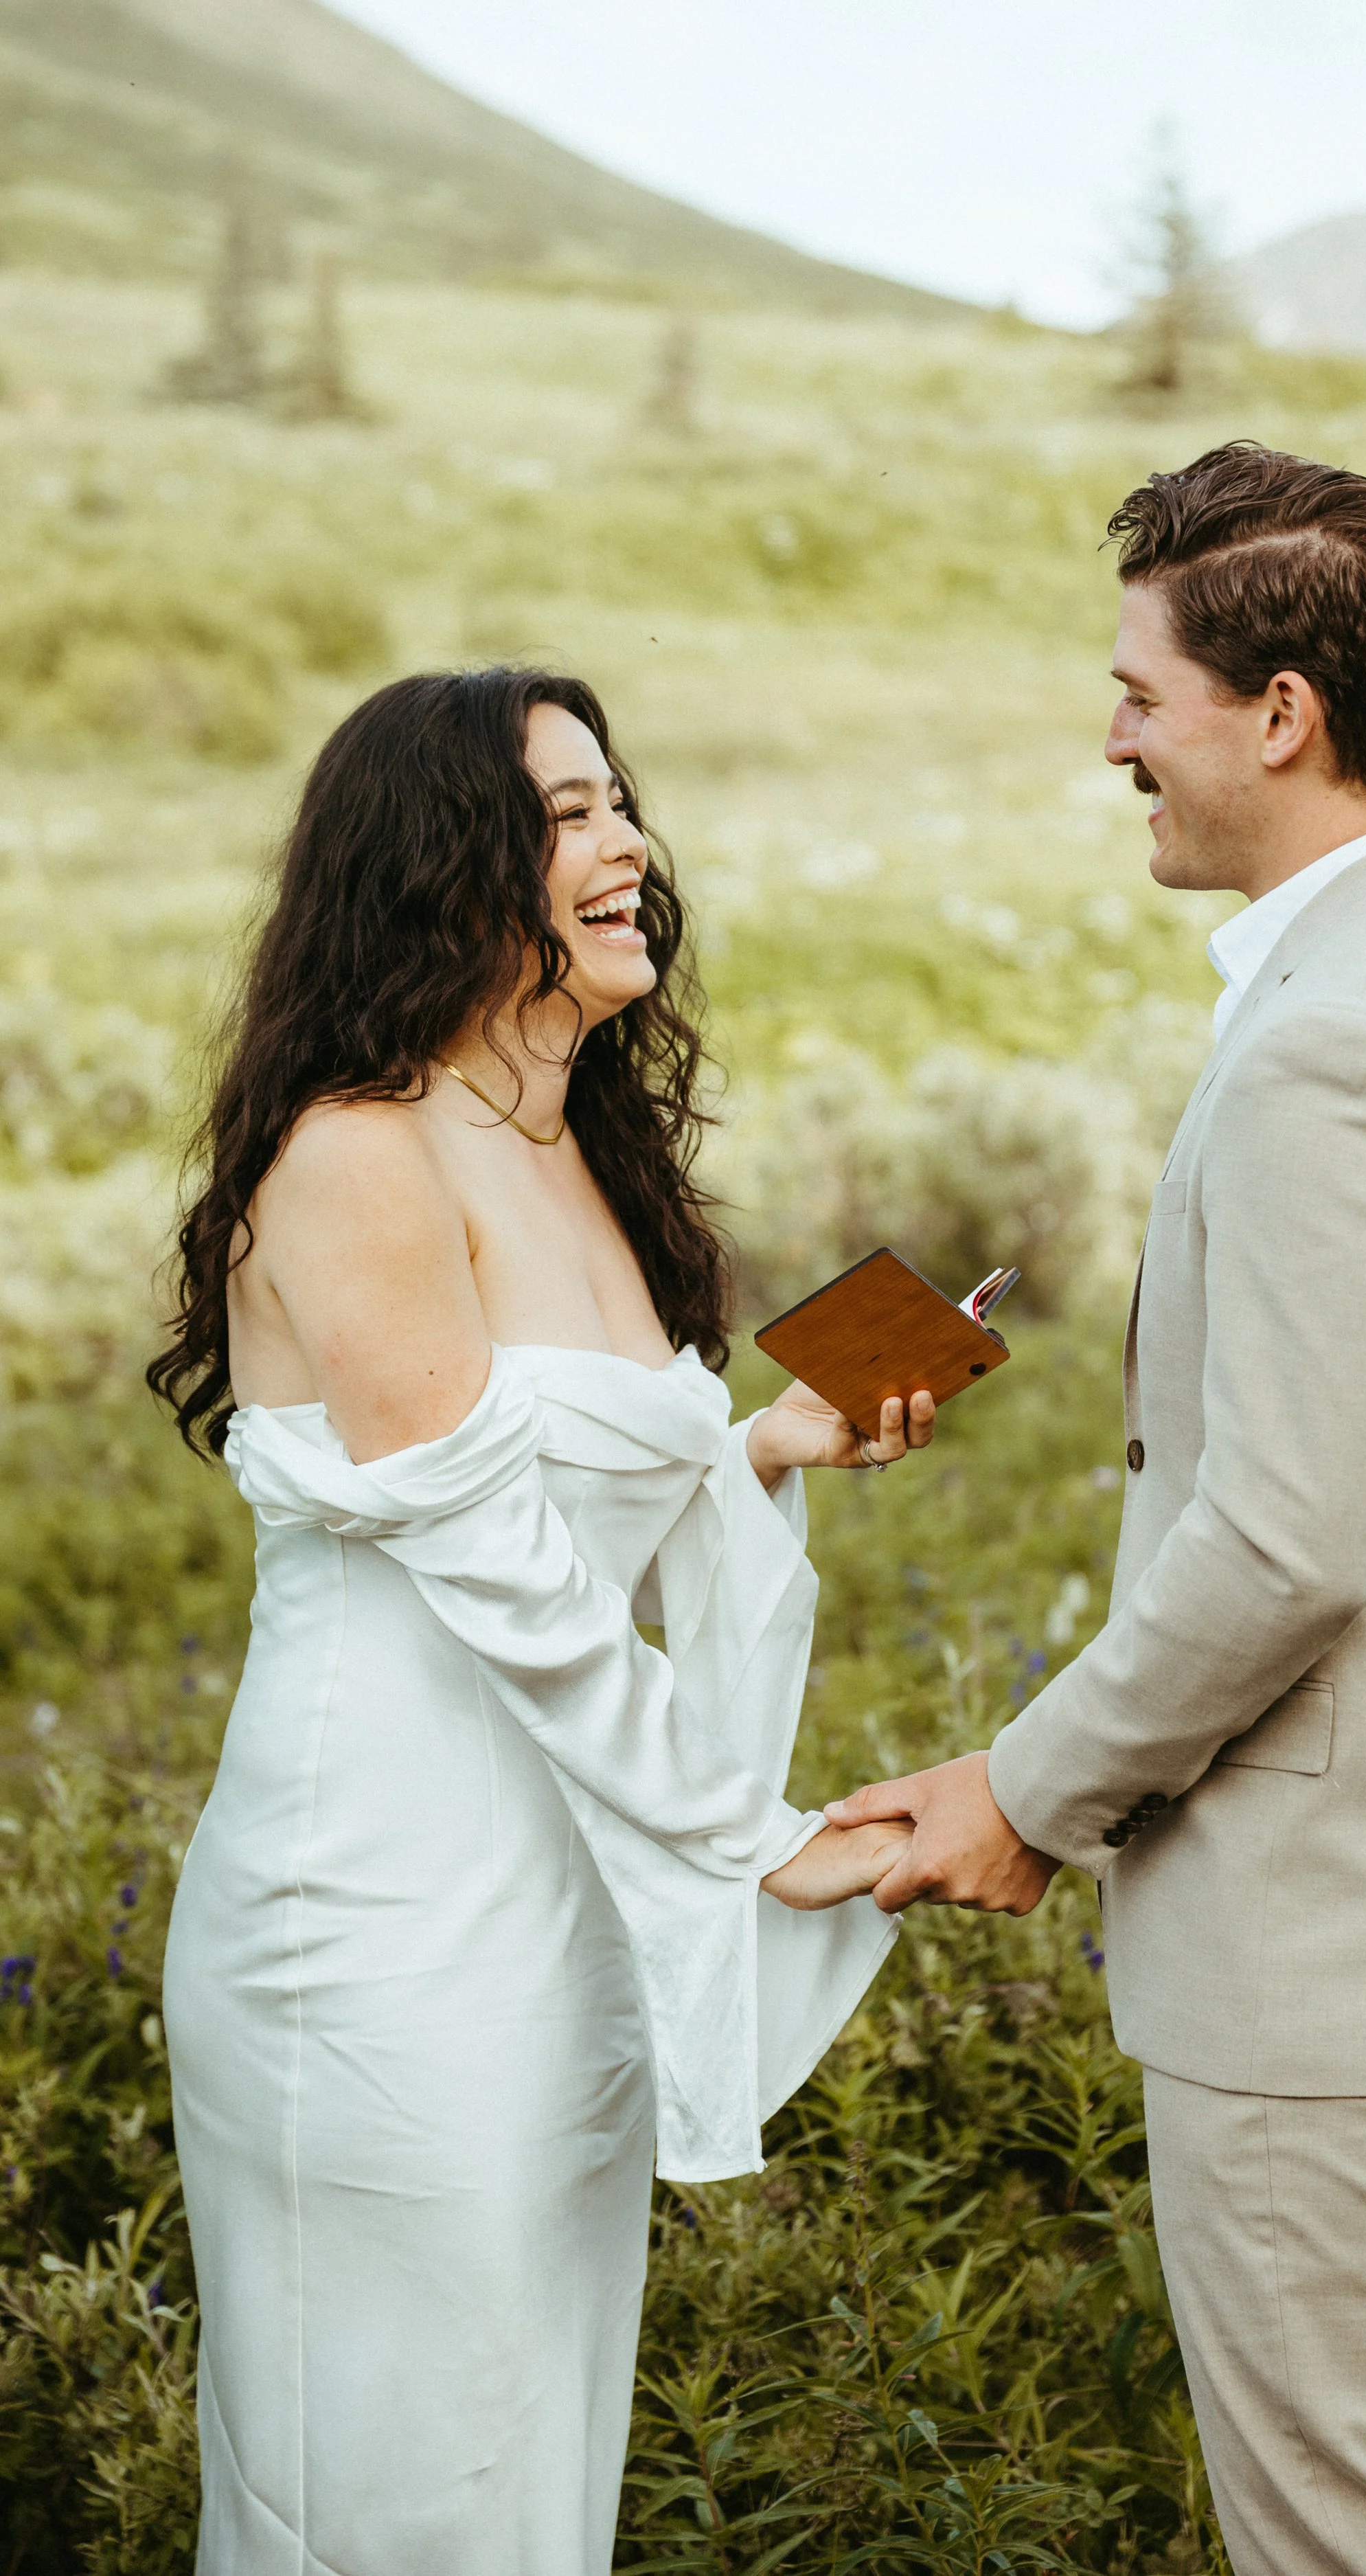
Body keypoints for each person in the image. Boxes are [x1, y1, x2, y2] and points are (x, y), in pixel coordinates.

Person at [828, 444, 1366, 2575]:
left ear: (1280, 712)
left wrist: (1027, 1785)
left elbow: (1283, 1536)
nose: (1111, 740)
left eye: (1139, 692)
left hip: (1317, 1957)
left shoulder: (1334, 1045)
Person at [151, 667, 935, 2576]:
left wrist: (762, 1448)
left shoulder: (574, 1141)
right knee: (399, 2482)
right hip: (382, 1930)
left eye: (618, 805)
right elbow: (501, 1575)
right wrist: (753, 1840)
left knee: (525, 2477)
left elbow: (588, 1524)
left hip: (558, 1911)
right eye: (571, 814)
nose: (626, 847)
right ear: (442, 862)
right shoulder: (357, 1148)